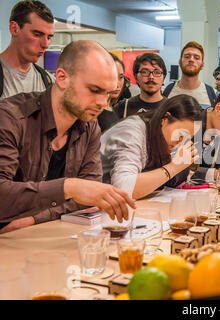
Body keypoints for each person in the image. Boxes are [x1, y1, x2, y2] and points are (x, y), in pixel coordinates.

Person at [0, 40, 135, 234]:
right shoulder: (11, 118)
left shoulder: (89, 127)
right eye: (94, 90)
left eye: (107, 94)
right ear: (62, 78)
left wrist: (33, 219)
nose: (102, 103)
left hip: (40, 236)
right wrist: (69, 187)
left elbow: (89, 196)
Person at [101, 95, 202, 199]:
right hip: (91, 207)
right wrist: (174, 167)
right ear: (165, 119)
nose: (180, 142)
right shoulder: (132, 132)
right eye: (180, 134)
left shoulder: (162, 138)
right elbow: (124, 188)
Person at [0, 0, 54, 99]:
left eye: (49, 37)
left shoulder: (48, 81)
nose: (45, 44)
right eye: (37, 34)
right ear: (14, 28)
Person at [163, 41, 216, 108]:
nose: (191, 60)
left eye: (196, 58)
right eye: (187, 56)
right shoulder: (165, 91)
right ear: (180, 62)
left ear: (202, 65)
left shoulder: (212, 94)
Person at [115, 53, 167, 119]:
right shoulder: (123, 107)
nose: (151, 77)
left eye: (157, 72)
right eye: (144, 72)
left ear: (163, 78)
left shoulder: (172, 107)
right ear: (136, 77)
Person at [97, 53, 124, 132]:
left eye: (121, 77)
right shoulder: (94, 112)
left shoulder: (110, 108)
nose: (117, 84)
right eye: (112, 76)